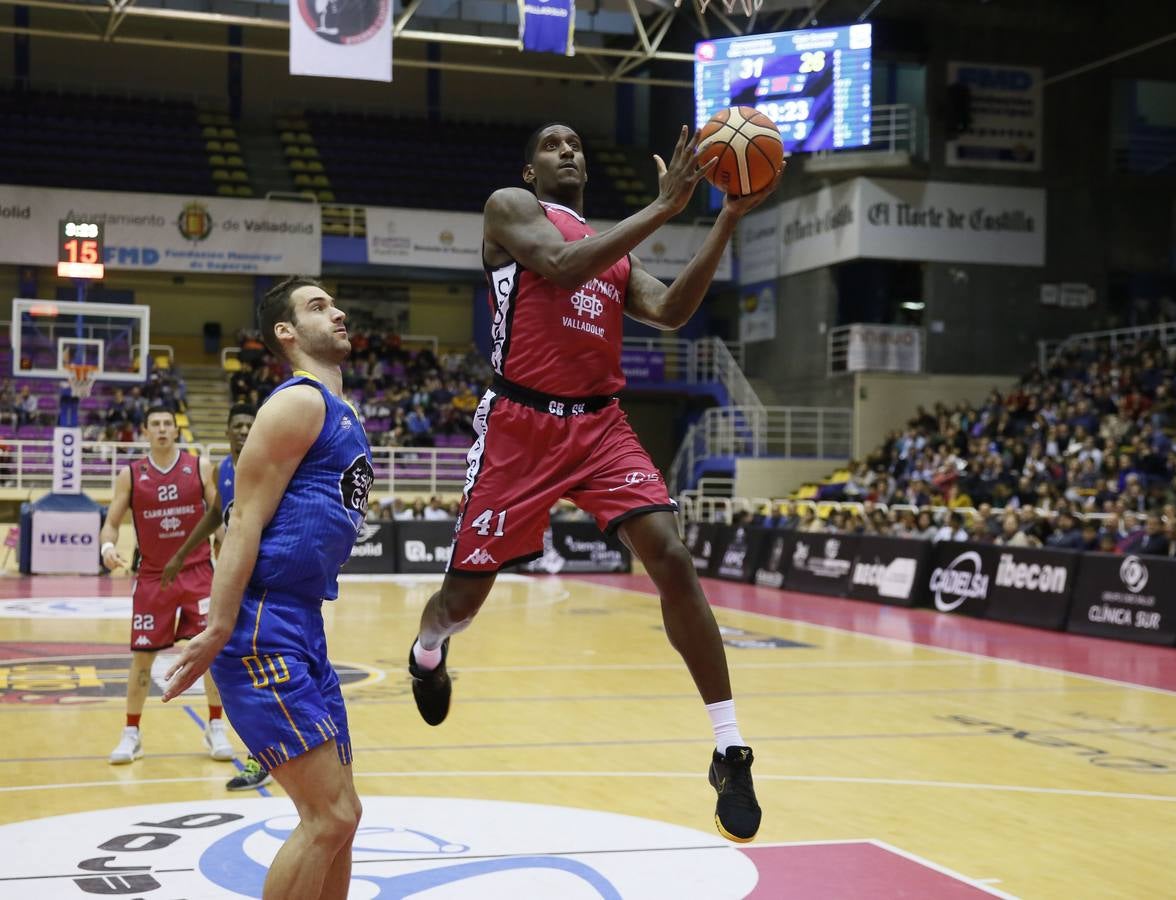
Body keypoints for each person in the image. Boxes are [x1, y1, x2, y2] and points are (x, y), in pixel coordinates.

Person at [406, 122, 782, 844]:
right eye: (551, 143)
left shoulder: (614, 252)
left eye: (575, 142)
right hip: (520, 424)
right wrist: (666, 208)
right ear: (530, 166)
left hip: (600, 426)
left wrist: (726, 219)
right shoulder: (510, 209)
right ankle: (428, 650)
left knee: (671, 556)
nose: (568, 149)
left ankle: (729, 748)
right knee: (463, 598)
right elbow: (561, 264)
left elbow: (671, 311)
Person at [163, 278, 373, 900]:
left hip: (302, 621)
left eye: (335, 302)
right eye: (316, 307)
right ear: (286, 333)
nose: (336, 311)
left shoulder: (340, 409)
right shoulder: (298, 403)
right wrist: (219, 627)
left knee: (345, 817)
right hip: (262, 626)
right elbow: (243, 519)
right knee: (328, 816)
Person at [100, 406, 234, 765]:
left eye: (167, 425)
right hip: (153, 578)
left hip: (199, 575)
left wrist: (232, 550)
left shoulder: (198, 467)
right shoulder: (130, 475)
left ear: (177, 431)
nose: (161, 430)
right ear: (145, 431)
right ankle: (132, 733)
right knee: (142, 658)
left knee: (211, 654)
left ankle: (215, 726)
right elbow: (111, 522)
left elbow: (216, 518)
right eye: (155, 424)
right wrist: (108, 546)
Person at [161, 402, 270, 792]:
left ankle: (264, 753)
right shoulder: (222, 469)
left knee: (257, 667)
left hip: (265, 583)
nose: (243, 430)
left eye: (249, 424)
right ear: (227, 431)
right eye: (237, 424)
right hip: (232, 582)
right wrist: (180, 554)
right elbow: (215, 515)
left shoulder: (270, 462)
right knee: (231, 665)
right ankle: (257, 744)